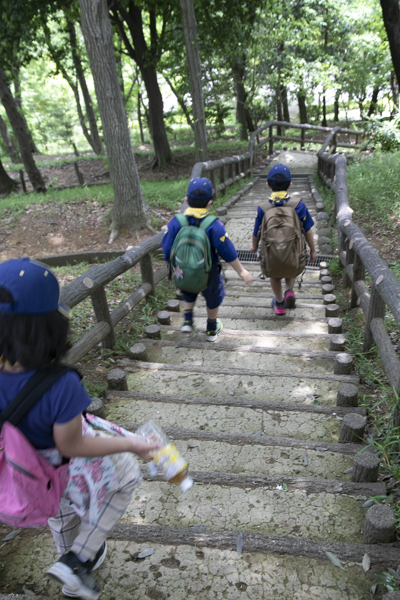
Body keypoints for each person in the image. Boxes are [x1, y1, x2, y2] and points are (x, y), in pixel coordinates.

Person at [0, 258, 160, 600]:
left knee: (57, 507)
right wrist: (131, 443)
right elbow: (71, 445)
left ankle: (66, 553)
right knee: (128, 474)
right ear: (51, 326)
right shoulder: (61, 385)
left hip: (17, 469)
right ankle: (78, 560)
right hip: (56, 465)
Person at [162, 177, 253, 340]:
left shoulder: (176, 222)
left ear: (186, 200)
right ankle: (211, 328)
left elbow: (167, 249)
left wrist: (176, 265)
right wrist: (241, 271)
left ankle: (188, 321)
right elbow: (228, 250)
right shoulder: (214, 224)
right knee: (213, 298)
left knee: (188, 291)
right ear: (210, 203)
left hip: (183, 270)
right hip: (209, 273)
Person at [251, 164, 317, 315]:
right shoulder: (298, 205)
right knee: (291, 265)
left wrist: (254, 247)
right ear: (290, 184)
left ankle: (279, 303)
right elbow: (308, 231)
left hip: (271, 252)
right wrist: (313, 250)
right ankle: (289, 291)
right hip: (293, 251)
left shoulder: (263, 208)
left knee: (274, 275)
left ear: (268, 184)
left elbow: (256, 233)